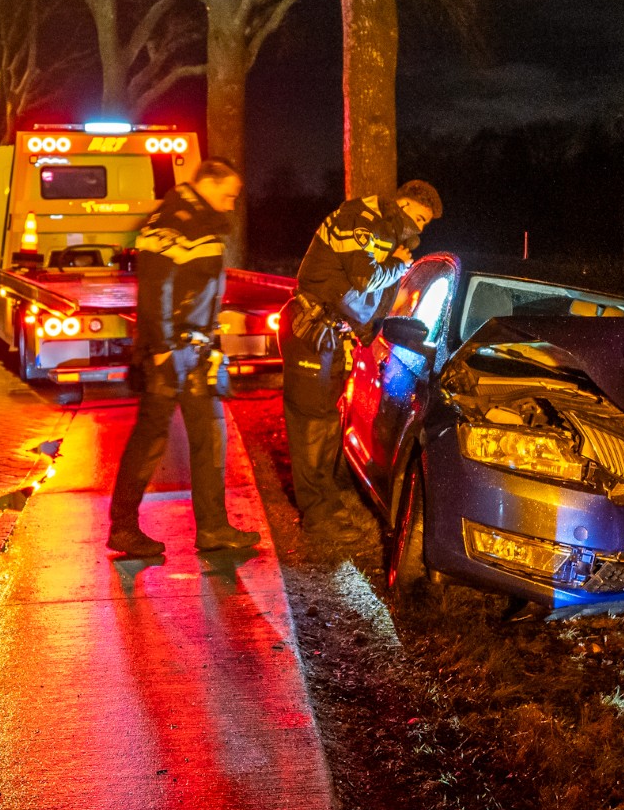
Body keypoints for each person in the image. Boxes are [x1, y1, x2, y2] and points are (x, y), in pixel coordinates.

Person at [107, 158, 260, 558]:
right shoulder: (172, 220)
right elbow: (155, 288)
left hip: (195, 350)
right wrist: (159, 350)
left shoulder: (200, 220)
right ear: (206, 184)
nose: (230, 205)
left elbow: (198, 289)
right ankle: (123, 529)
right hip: (170, 351)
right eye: (227, 195)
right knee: (150, 439)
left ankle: (213, 529)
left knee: (210, 435)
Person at [279, 180, 443, 542]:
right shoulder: (365, 220)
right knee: (310, 426)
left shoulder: (379, 225)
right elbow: (364, 276)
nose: (418, 229)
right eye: (417, 218)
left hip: (327, 333)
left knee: (323, 423)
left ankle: (324, 502)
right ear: (402, 203)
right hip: (311, 329)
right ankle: (316, 517)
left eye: (424, 224)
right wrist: (399, 266)